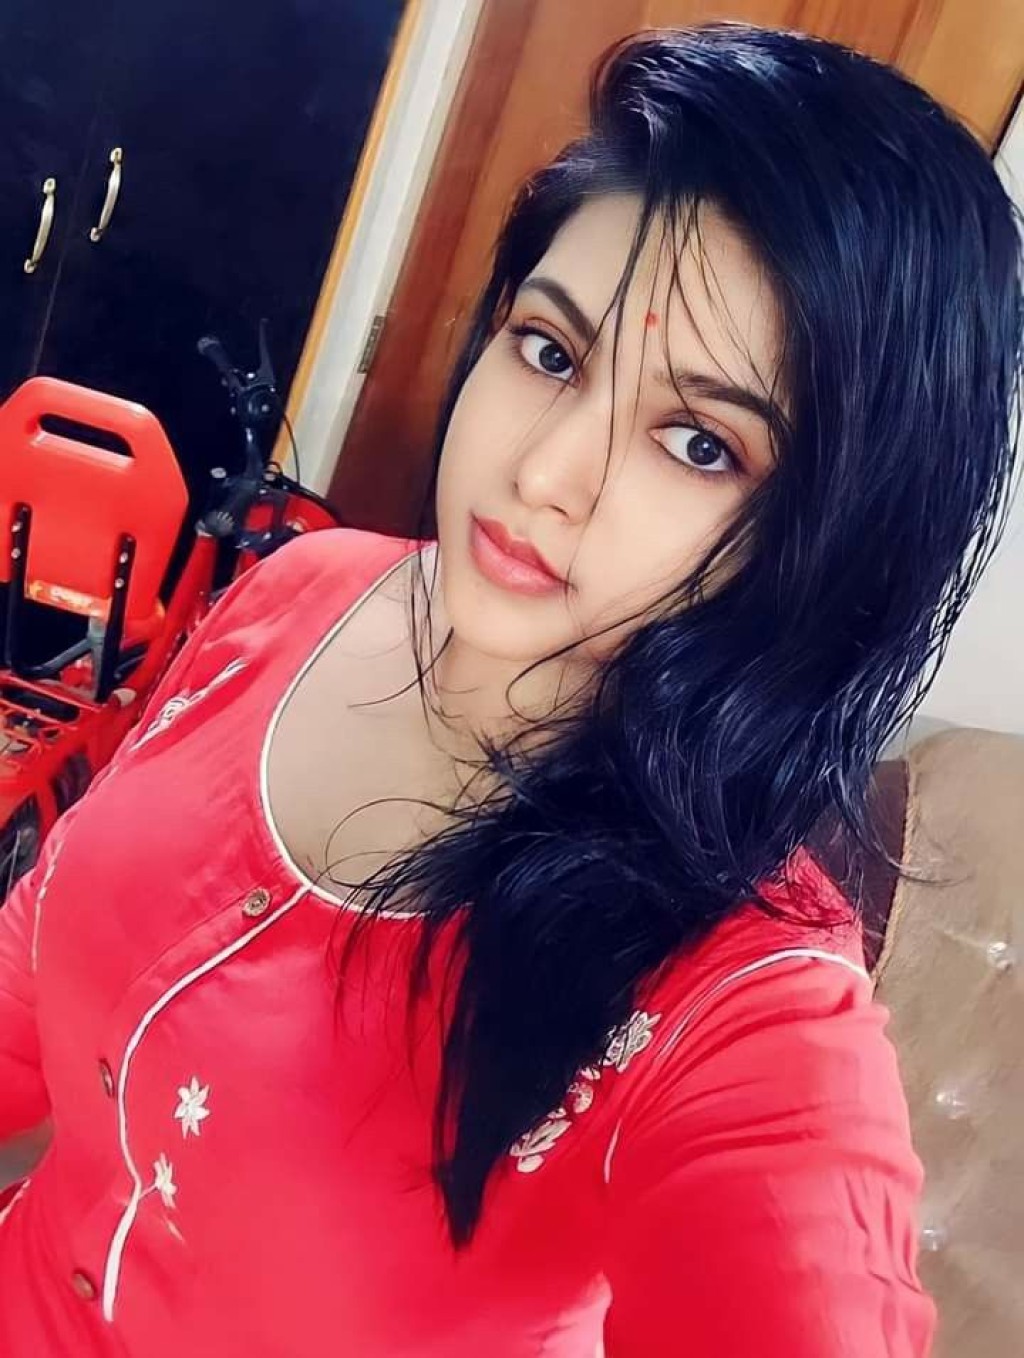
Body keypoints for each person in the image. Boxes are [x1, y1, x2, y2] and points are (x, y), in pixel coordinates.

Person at [0, 22, 1019, 1357]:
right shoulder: (303, 587)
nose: (543, 472)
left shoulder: (733, 993)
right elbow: (44, 943)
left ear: (820, 544)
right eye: (550, 350)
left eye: (697, 441)